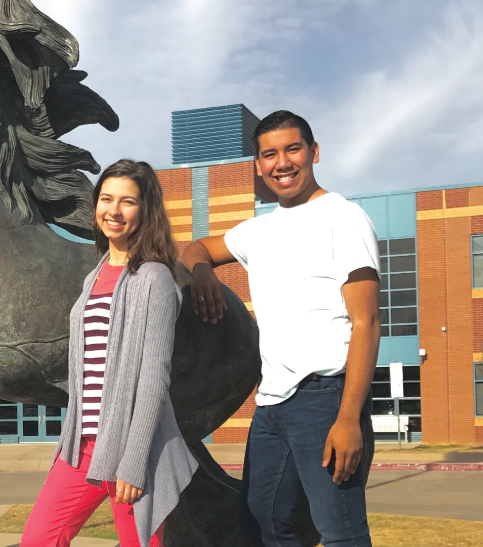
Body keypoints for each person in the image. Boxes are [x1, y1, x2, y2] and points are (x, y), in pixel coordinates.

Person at [182, 110, 380, 547]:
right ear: (257, 164)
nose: (282, 162)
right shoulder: (258, 230)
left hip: (325, 398)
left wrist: (349, 417)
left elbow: (366, 322)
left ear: (313, 152)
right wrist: (203, 274)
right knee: (262, 526)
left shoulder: (343, 218)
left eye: (292, 149)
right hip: (271, 405)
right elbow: (196, 248)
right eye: (269, 154)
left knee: (341, 532)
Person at [20, 160, 198, 547]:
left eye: (128, 202)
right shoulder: (94, 275)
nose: (113, 211)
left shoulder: (156, 279)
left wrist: (133, 462)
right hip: (82, 445)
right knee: (38, 539)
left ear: (146, 210)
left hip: (130, 447)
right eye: (106, 199)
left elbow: (153, 380)